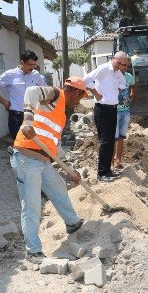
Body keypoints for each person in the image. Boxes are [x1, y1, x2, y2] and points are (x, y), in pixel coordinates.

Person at [10, 77, 89, 263]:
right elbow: (31, 92)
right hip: (26, 158)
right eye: (80, 98)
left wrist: (70, 170)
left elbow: (55, 146)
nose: (78, 102)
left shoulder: (61, 114)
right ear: (76, 92)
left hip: (43, 160)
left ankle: (72, 223)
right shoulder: (55, 94)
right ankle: (33, 251)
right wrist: (28, 121)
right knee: (32, 206)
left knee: (59, 188)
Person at [83, 52, 129, 182]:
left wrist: (118, 90)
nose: (121, 65)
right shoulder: (104, 69)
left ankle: (108, 170)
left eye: (124, 64)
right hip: (102, 109)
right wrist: (96, 93)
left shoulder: (117, 73)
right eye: (119, 63)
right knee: (105, 141)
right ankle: (102, 173)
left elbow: (123, 83)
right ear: (113, 59)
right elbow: (86, 79)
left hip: (113, 109)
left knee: (110, 141)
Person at [0, 50, 47, 140]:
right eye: (29, 65)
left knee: (34, 146)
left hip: (33, 117)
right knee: (19, 146)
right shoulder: (10, 75)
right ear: (22, 62)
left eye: (34, 65)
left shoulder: (36, 75)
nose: (32, 68)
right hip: (16, 117)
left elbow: (45, 91)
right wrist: (5, 102)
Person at [112, 68, 136, 171]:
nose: (123, 67)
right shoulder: (111, 76)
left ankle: (118, 160)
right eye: (121, 64)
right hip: (114, 111)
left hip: (125, 111)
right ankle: (111, 161)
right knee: (113, 138)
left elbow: (134, 85)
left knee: (121, 137)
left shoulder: (129, 77)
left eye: (126, 65)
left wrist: (132, 95)